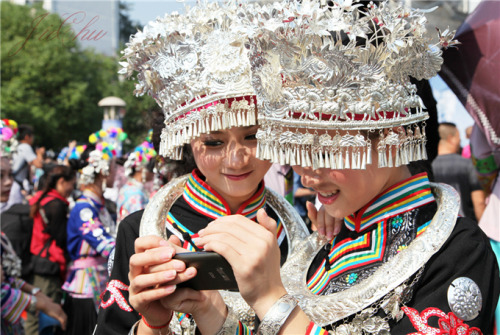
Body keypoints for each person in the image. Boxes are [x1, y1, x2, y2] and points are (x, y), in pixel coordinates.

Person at [132, 1, 499, 334]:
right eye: (293, 152)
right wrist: (205, 314)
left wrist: (272, 300)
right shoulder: (322, 244)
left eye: (322, 154)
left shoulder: (456, 248)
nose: (306, 176)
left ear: (390, 134)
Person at [93, 3, 313, 334]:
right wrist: (153, 325)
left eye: (252, 136)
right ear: (185, 139)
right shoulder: (143, 231)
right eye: (213, 142)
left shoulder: (303, 233)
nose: (237, 159)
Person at [62, 149, 116, 335]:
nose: (115, 173)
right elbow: (102, 243)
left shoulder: (97, 205)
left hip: (100, 279)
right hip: (85, 286)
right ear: (102, 173)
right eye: (112, 168)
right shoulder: (83, 208)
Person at [25, 165, 76, 335]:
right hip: (50, 263)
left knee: (34, 315)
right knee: (48, 315)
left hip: (37, 260)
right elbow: (61, 238)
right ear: (61, 182)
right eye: (72, 184)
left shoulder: (42, 198)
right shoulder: (57, 205)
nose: (72, 189)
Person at [432, 122, 486, 220]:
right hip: (467, 228)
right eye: (458, 136)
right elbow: (479, 202)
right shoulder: (467, 165)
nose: (460, 139)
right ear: (450, 138)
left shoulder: (430, 168)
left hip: (440, 229)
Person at [116, 141, 156, 227]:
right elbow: (138, 225)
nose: (154, 172)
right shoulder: (135, 194)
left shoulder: (130, 188)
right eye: (151, 167)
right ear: (141, 168)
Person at [8, 124, 45, 206]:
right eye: (32, 136)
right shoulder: (25, 147)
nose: (33, 139)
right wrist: (39, 154)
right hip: (15, 185)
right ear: (27, 137)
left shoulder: (15, 146)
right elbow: (38, 165)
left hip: (11, 182)